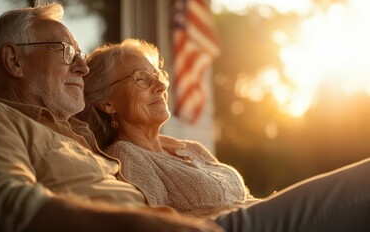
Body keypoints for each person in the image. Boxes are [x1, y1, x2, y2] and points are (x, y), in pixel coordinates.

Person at [0, 3, 223, 232]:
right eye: (66, 52)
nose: (83, 68)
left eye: (80, 54)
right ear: (15, 61)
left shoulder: (75, 135)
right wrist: (142, 223)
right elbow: (2, 205)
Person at [78, 38, 370, 231]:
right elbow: (156, 225)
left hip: (258, 214)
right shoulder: (127, 156)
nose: (160, 86)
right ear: (107, 103)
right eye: (142, 78)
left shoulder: (189, 147)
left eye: (159, 76)